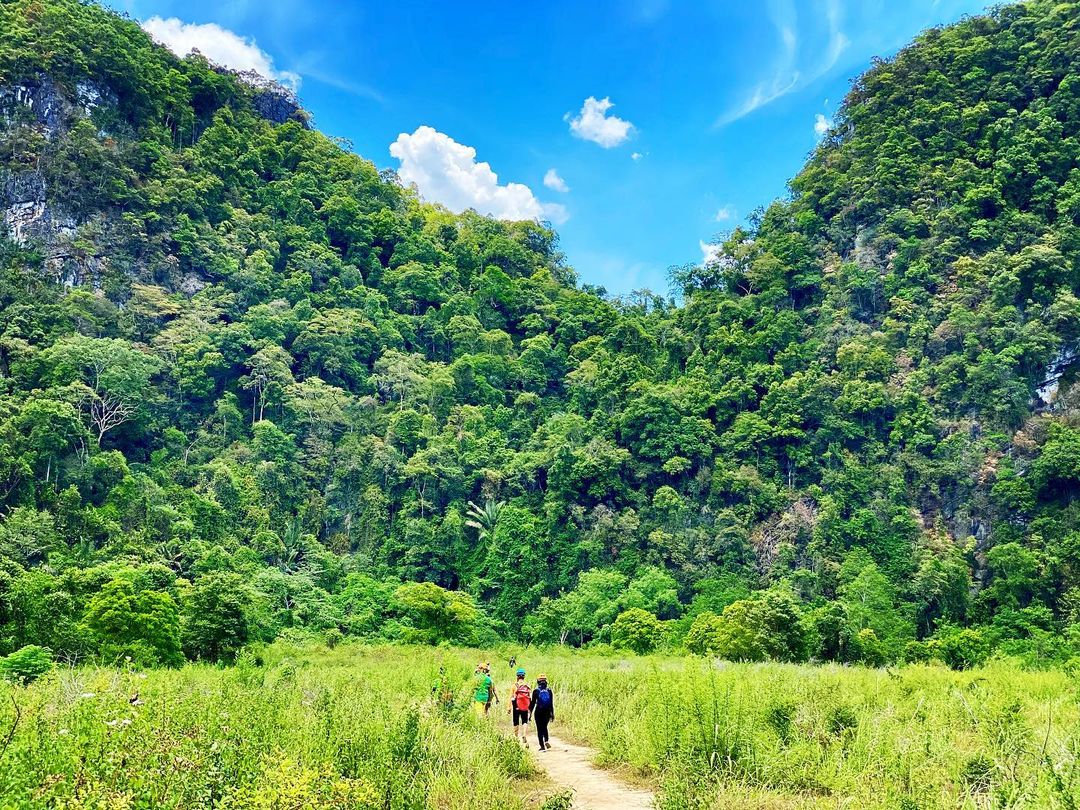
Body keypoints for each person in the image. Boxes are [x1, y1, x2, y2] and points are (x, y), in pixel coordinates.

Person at [507, 668, 531, 746]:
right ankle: (524, 734)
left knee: (516, 721)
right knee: (525, 720)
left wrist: (509, 707)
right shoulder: (527, 685)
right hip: (525, 705)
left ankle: (516, 737)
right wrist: (529, 708)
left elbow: (510, 697)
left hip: (516, 705)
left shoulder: (514, 685)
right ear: (524, 677)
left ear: (517, 676)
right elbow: (529, 697)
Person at [531, 673, 555, 751]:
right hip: (547, 711)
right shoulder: (549, 690)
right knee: (544, 727)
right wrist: (552, 714)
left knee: (539, 728)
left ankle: (542, 746)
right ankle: (546, 740)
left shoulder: (536, 691)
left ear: (538, 681)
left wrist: (529, 713)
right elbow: (551, 703)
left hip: (538, 711)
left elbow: (533, 703)